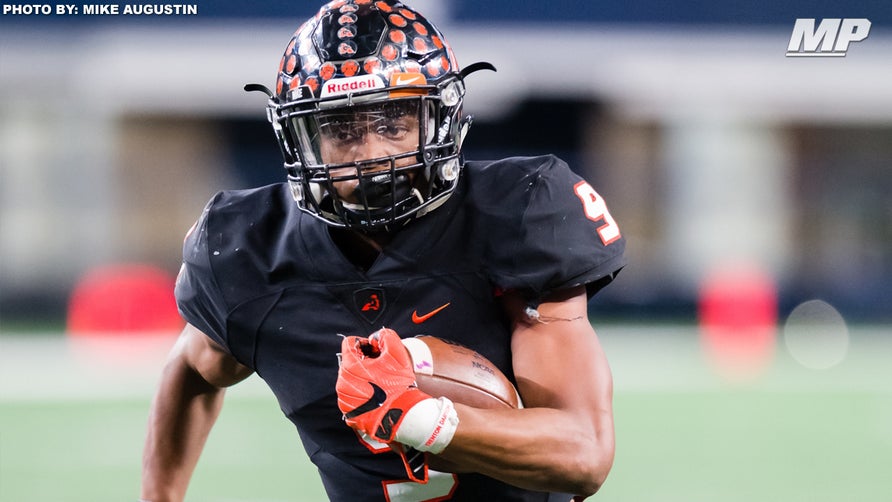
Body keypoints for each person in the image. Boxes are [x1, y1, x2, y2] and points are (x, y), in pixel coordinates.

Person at [140, 1, 626, 501]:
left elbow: (581, 454)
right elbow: (194, 368)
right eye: (342, 131)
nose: (370, 155)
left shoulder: (518, 215)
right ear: (299, 139)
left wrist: (417, 417)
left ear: (440, 118)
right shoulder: (249, 249)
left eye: (392, 125)